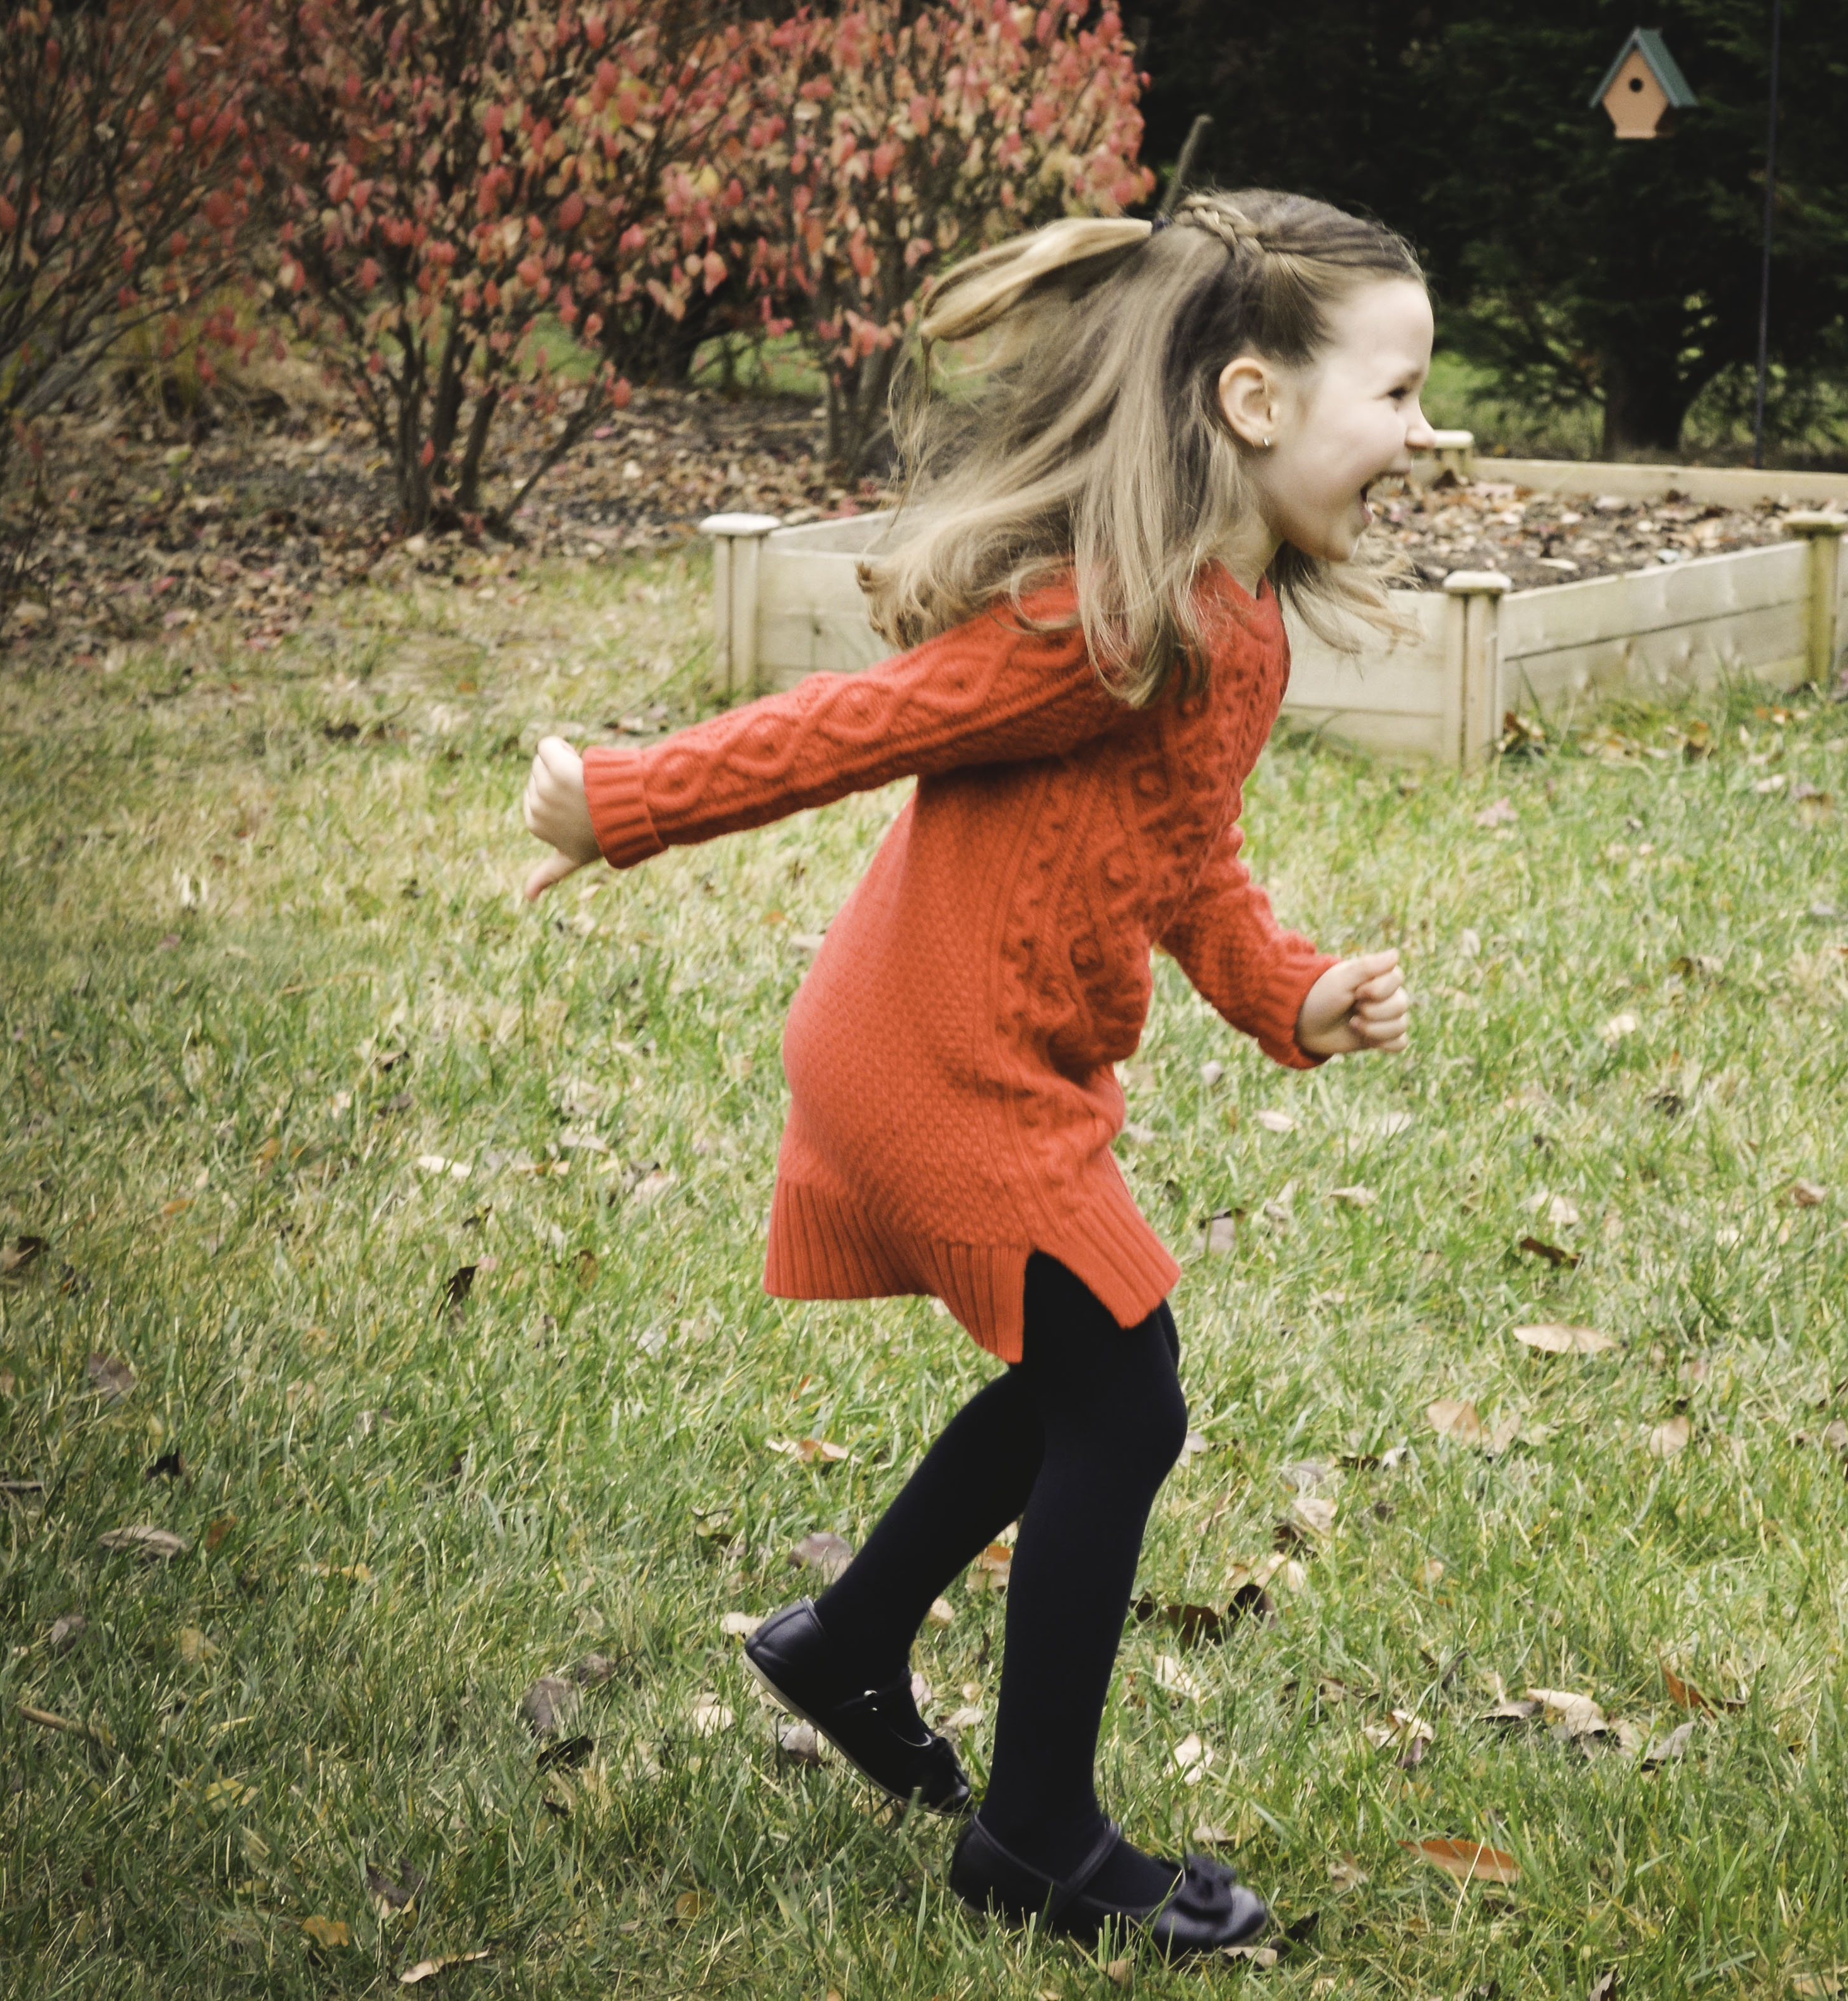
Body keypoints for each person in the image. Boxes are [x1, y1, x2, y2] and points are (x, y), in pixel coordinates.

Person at [516, 189, 1427, 1958]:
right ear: (1253, 401)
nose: (1420, 432)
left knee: (1092, 1378)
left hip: (982, 1053)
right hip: (932, 1060)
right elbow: (867, 724)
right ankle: (1036, 1841)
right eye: (1394, 392)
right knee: (1126, 1392)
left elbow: (1188, 859)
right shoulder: (1116, 621)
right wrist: (622, 802)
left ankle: (850, 1641)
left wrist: (1289, 992)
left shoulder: (1233, 624)